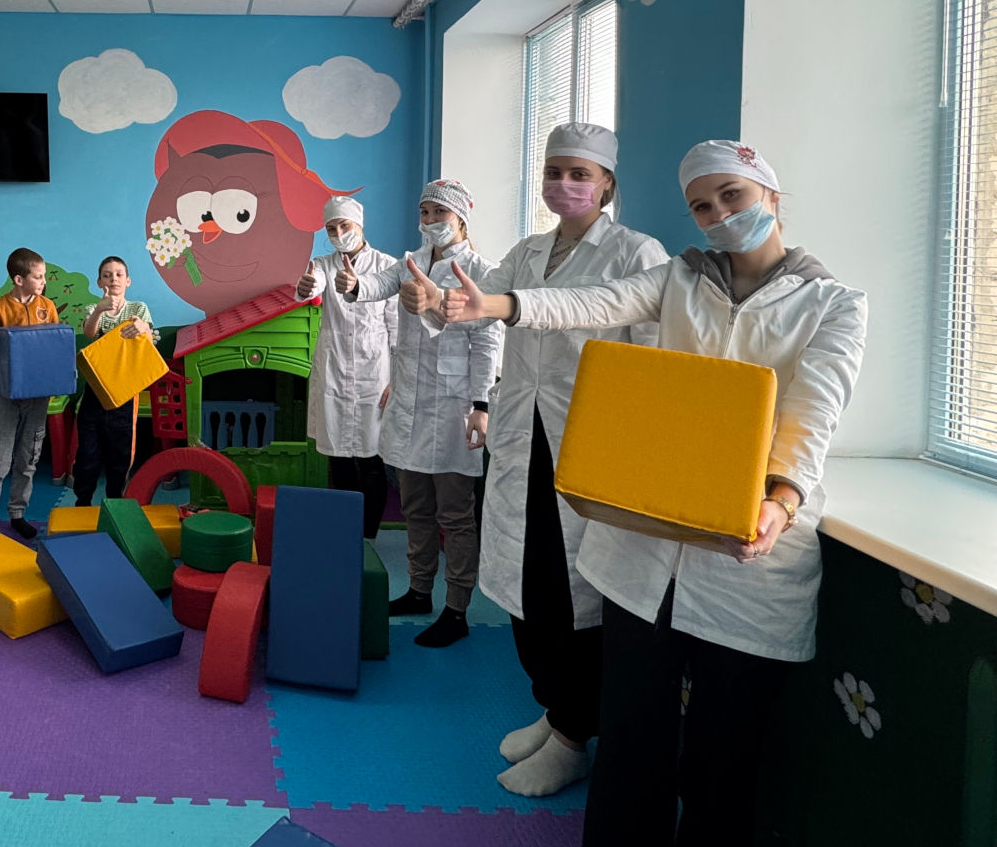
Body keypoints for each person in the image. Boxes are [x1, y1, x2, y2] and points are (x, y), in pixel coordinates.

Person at [408, 140, 867, 843]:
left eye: (733, 196)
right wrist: (493, 305)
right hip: (646, 534)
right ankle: (574, 742)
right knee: (630, 739)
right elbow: (593, 302)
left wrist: (782, 499)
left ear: (772, 196)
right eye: (702, 206)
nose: (719, 215)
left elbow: (815, 411)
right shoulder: (680, 278)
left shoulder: (834, 304)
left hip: (748, 542)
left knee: (722, 754)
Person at [470, 124, 669, 798]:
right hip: (523, 438)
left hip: (589, 446)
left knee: (572, 598)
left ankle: (572, 736)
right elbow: (477, 306)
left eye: (579, 173)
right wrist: (434, 304)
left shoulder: (636, 252)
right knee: (527, 589)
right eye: (554, 170)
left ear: (607, 182)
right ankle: (556, 710)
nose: (564, 183)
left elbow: (651, 359)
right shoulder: (527, 251)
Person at [344, 179, 503, 647]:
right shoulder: (410, 263)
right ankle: (418, 590)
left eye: (439, 212)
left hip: (455, 407)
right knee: (415, 508)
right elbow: (378, 284)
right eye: (425, 212)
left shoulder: (481, 272)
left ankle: (457, 608)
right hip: (410, 402)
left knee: (455, 514)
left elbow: (487, 342)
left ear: (461, 218)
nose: (430, 220)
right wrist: (355, 284)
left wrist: (480, 405)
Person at [296, 195, 399, 539]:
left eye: (345, 225)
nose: (339, 234)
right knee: (338, 458)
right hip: (335, 370)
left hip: (375, 376)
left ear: (360, 225)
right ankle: (343, 533)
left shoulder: (387, 266)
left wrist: (396, 379)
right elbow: (313, 285)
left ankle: (368, 536)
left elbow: (397, 327)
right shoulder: (322, 265)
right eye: (331, 228)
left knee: (372, 459)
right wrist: (306, 287)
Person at [0, 248, 61, 539]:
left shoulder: (47, 306)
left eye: (44, 276)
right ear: (19, 279)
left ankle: (18, 513)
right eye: (38, 277)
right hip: (6, 395)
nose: (44, 281)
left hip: (38, 395)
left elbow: (55, 346)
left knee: (28, 458)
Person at [74, 256, 156, 507]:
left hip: (125, 391)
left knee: (121, 453)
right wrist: (101, 309)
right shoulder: (93, 308)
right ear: (99, 282)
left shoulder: (138, 309)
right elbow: (89, 333)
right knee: (87, 453)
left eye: (119, 274)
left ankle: (116, 502)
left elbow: (149, 342)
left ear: (128, 280)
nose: (113, 279)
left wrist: (143, 328)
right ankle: (83, 502)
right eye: (107, 275)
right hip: (96, 389)